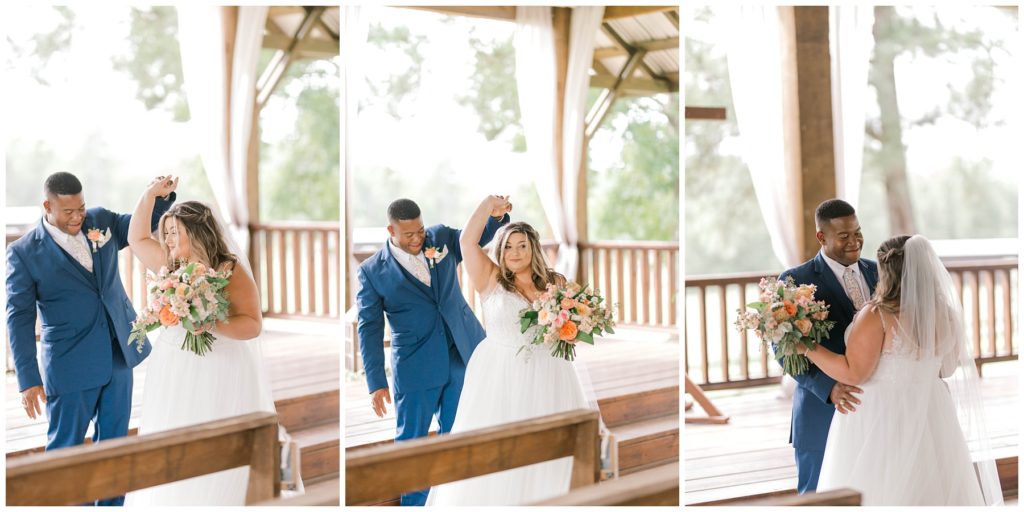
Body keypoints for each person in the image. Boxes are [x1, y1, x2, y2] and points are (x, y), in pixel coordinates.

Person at [5, 172, 174, 506]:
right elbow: (19, 318)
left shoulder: (101, 219)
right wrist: (28, 380)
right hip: (69, 365)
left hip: (119, 354)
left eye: (80, 208)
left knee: (115, 450)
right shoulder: (23, 253)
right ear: (47, 206)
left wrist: (160, 196)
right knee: (65, 453)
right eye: (68, 212)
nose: (78, 217)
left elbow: (141, 224)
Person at [798, 235, 1002, 505]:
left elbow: (853, 373)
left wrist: (807, 347)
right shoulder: (947, 313)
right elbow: (948, 368)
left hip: (882, 413)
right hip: (930, 409)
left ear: (887, 270)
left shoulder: (878, 314)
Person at [425, 195, 592, 506]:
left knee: (549, 448)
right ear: (500, 251)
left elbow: (573, 326)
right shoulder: (490, 278)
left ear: (533, 249)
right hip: (500, 372)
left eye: (522, 246)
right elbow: (466, 241)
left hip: (549, 371)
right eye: (509, 246)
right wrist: (488, 205)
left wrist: (574, 330)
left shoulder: (554, 282)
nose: (515, 252)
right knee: (500, 448)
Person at [123, 176, 275, 506]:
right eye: (167, 232)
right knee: (173, 433)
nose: (168, 238)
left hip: (220, 366)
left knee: (216, 439)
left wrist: (212, 323)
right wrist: (150, 194)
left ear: (197, 233)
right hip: (174, 366)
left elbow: (252, 324)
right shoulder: (169, 264)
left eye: (175, 231)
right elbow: (135, 237)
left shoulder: (228, 268)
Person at [356, 197, 510, 506]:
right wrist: (375, 382)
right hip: (415, 365)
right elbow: (369, 328)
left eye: (420, 231)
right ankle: (416, 505)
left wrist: (496, 216)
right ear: (391, 230)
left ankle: (455, 500)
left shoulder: (440, 237)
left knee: (459, 430)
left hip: (462, 351)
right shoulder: (371, 272)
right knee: (411, 441)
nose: (417, 239)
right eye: (409, 234)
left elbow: (476, 236)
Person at [776, 199, 878, 493]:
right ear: (822, 237)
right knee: (817, 494)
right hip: (821, 411)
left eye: (857, 232)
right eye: (844, 236)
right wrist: (828, 387)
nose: (854, 241)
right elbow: (784, 350)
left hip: (875, 410)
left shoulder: (879, 273)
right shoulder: (796, 280)